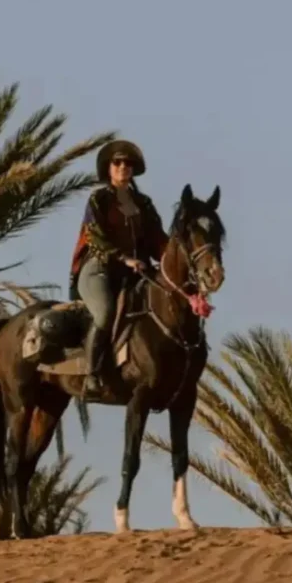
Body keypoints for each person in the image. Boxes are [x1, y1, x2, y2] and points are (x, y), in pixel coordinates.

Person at [68, 139, 169, 394]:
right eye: (118, 163)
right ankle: (92, 374)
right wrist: (124, 258)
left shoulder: (144, 204)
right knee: (105, 312)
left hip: (134, 273)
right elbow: (95, 236)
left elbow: (158, 238)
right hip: (99, 268)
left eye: (128, 163)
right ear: (108, 168)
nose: (123, 167)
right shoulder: (98, 199)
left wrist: (175, 261)